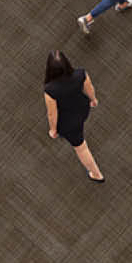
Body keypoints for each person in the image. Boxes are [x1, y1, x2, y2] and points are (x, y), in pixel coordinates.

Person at [43, 50, 105, 182]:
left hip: (68, 123)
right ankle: (95, 173)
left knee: (81, 148)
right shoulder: (80, 74)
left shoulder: (50, 90)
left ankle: (96, 174)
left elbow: (52, 113)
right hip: (82, 109)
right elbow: (89, 88)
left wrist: (53, 130)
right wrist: (93, 100)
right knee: (80, 137)